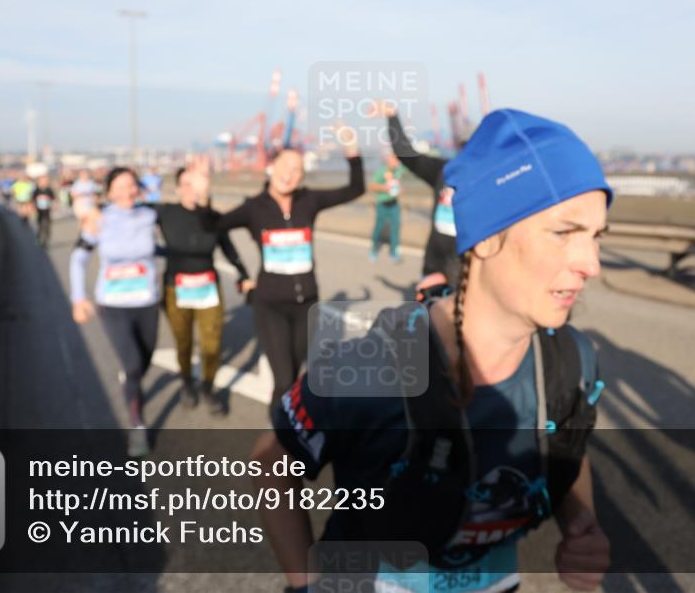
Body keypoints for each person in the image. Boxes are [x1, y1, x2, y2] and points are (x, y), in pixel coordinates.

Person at [252, 109, 613, 593]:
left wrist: (580, 523)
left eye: (596, 237)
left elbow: (569, 440)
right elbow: (272, 465)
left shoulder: (573, 360)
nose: (590, 264)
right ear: (485, 238)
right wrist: (306, 582)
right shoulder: (372, 367)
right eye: (564, 233)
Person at [187, 124, 365, 408]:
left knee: (294, 377)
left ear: (302, 176)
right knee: (283, 381)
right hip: (270, 304)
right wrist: (203, 197)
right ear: (271, 166)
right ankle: (282, 440)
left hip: (307, 302)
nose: (289, 174)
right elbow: (213, 224)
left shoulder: (310, 201)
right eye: (284, 166)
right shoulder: (255, 207)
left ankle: (285, 431)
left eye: (296, 170)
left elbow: (356, 188)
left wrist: (352, 151)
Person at [69, 167, 161, 458]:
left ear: (139, 188)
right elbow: (78, 258)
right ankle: (138, 428)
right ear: (108, 192)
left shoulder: (150, 215)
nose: (126, 192)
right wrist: (78, 298)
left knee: (145, 360)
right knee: (133, 365)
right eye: (119, 187)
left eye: (131, 186)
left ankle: (132, 380)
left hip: (147, 302)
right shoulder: (99, 219)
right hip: (112, 305)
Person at [153, 167, 254, 414]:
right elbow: (129, 213)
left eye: (197, 184)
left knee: (212, 343)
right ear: (177, 188)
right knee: (183, 341)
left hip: (208, 288)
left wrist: (243, 274)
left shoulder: (212, 217)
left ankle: (208, 387)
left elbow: (229, 249)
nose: (192, 190)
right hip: (175, 289)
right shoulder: (165, 212)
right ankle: (187, 382)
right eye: (187, 184)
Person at [377, 102, 466, 298]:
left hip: (467, 271)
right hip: (435, 264)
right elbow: (406, 154)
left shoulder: (492, 181)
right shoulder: (444, 171)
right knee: (431, 325)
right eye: (464, 145)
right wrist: (392, 117)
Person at [369, 151, 404, 263]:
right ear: (389, 159)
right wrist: (385, 188)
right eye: (394, 159)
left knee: (395, 227)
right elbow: (372, 186)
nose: (396, 161)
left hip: (394, 204)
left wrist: (400, 190)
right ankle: (374, 249)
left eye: (398, 159)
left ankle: (393, 252)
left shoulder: (398, 171)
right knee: (378, 228)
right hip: (382, 204)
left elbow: (400, 183)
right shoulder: (382, 171)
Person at [32, 174, 56, 248]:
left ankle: (45, 240)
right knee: (40, 225)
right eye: (42, 181)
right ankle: (38, 238)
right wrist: (32, 206)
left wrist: (55, 204)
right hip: (39, 210)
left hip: (47, 210)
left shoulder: (49, 190)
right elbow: (33, 198)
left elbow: (53, 198)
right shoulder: (37, 190)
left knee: (47, 225)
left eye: (45, 181)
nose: (44, 182)